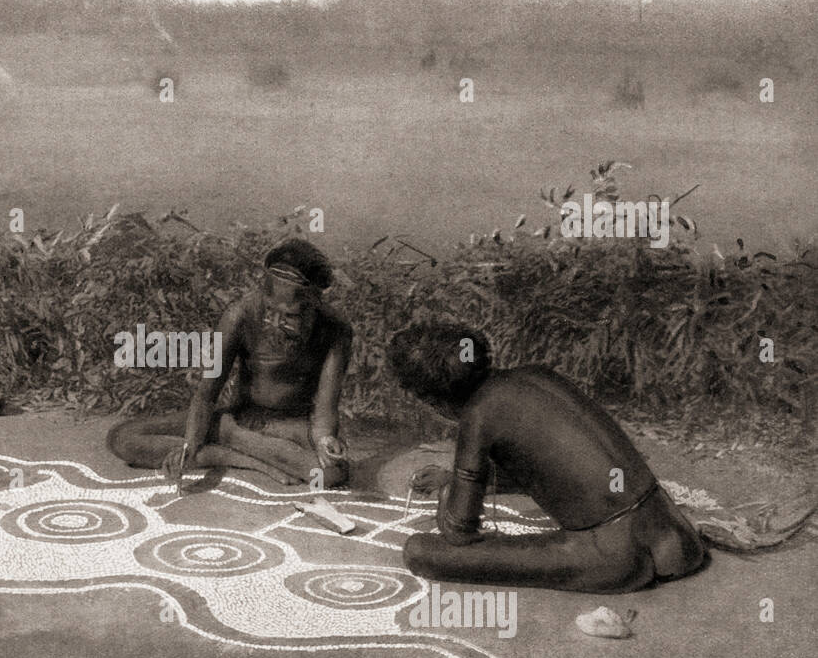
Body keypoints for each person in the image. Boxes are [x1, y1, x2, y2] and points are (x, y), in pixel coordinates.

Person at [386, 320, 705, 593]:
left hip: (615, 558)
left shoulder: (479, 414)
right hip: (678, 537)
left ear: (432, 401)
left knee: (421, 551)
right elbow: (551, 471)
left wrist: (450, 495)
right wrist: (457, 478)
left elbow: (459, 533)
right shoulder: (536, 376)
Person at [106, 239, 352, 486]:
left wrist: (324, 441)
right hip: (242, 418)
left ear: (314, 306)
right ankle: (237, 454)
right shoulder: (239, 315)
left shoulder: (336, 329)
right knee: (122, 438)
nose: (276, 324)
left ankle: (229, 441)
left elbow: (324, 411)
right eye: (270, 312)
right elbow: (206, 393)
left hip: (292, 428)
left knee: (330, 475)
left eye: (290, 316)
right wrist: (190, 444)